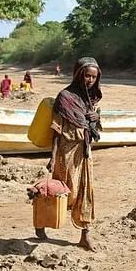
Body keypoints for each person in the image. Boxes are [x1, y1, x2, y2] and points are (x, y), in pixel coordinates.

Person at [44, 57, 103, 251]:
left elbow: (95, 127)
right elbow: (56, 129)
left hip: (84, 153)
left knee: (86, 193)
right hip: (66, 153)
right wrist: (52, 157)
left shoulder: (90, 99)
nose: (90, 80)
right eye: (87, 76)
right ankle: (40, 223)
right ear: (79, 75)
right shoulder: (65, 97)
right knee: (63, 192)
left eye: (94, 77)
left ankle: (85, 236)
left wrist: (97, 118)